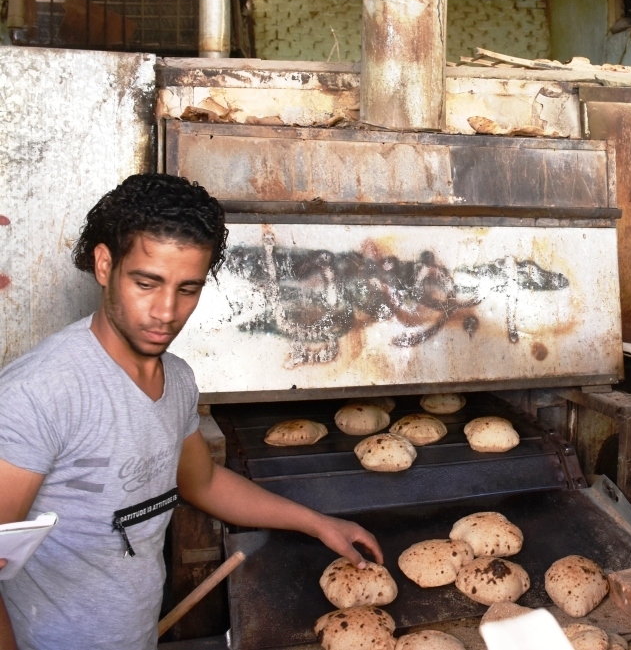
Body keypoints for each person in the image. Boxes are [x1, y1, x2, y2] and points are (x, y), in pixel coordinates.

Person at [0, 174, 383, 650]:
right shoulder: (40, 392)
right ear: (104, 265)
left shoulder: (177, 379)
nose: (166, 311)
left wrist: (319, 523)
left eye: (188, 289)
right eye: (147, 283)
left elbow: (202, 482)